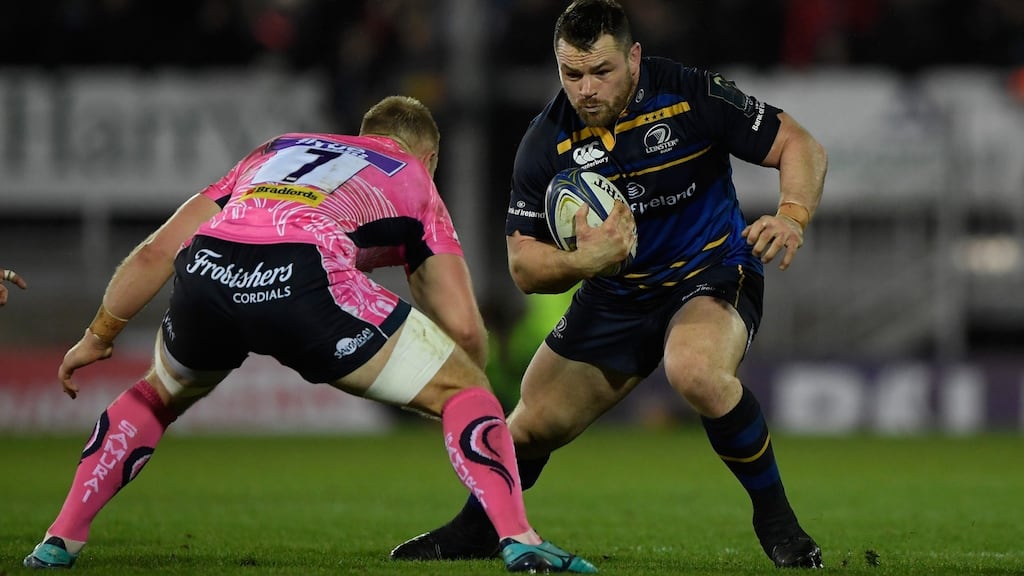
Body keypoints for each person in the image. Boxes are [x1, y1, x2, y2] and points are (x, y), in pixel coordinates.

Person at [22, 95, 597, 574]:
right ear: (431, 155)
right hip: (301, 275)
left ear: (362, 134)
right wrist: (462, 398)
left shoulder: (278, 149)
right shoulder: (413, 177)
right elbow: (465, 327)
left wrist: (99, 334)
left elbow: (156, 250)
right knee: (465, 388)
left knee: (155, 394)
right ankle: (518, 538)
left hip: (209, 270)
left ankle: (60, 538)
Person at [390, 0, 827, 569]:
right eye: (572, 74)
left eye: (602, 71)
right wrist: (588, 259)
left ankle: (778, 520)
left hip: (710, 270)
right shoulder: (545, 141)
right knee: (529, 424)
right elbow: (523, 267)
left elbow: (800, 145)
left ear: (635, 57)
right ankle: (478, 529)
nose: (586, 89)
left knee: (695, 371)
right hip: (616, 293)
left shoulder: (692, 93)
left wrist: (792, 216)